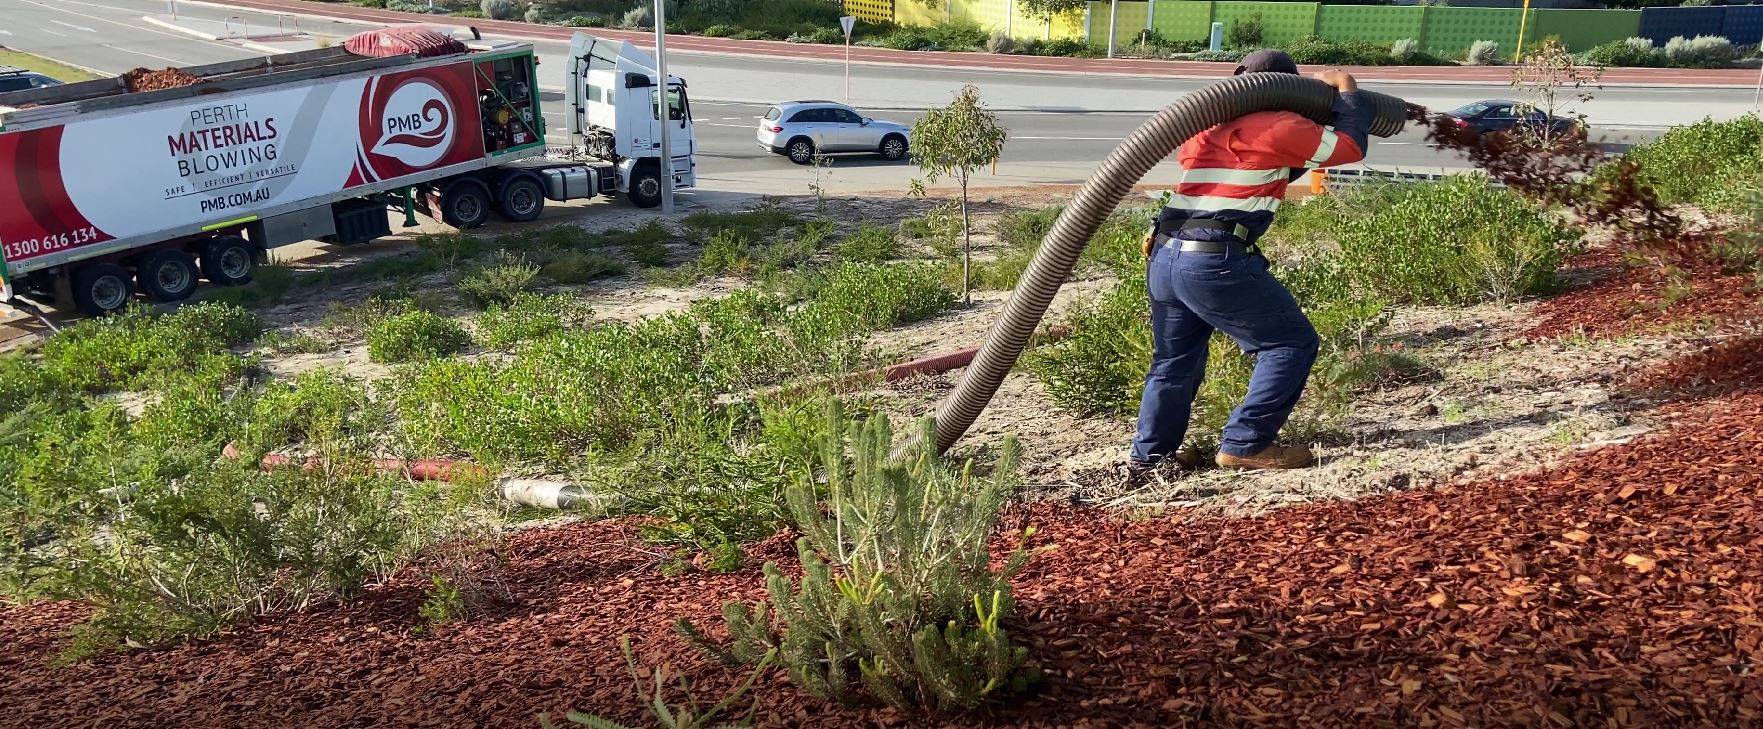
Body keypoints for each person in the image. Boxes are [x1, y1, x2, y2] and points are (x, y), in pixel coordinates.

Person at [1131, 50, 1372, 472]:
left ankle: (1151, 459)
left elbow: (1270, 167)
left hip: (1166, 253)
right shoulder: (1279, 124)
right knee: (1289, 343)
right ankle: (1246, 442)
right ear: (1286, 87)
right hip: (1213, 259)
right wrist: (1347, 91)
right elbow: (1349, 147)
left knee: (1173, 362)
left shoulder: (1205, 126)